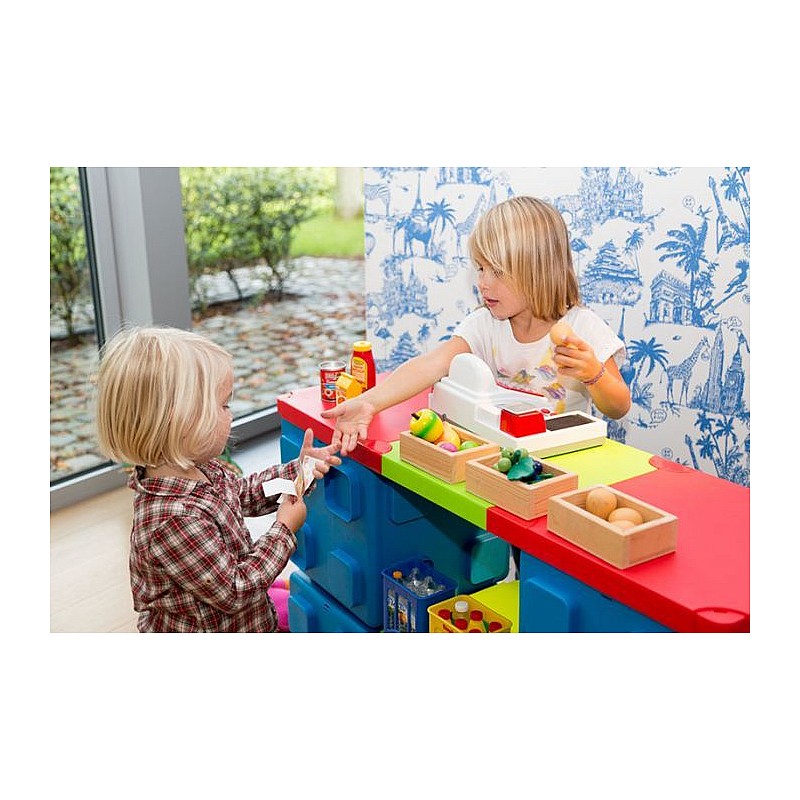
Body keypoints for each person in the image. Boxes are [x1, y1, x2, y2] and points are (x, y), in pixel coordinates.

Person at [322, 195, 631, 456]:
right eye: (480, 269)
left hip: (564, 461)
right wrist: (368, 402)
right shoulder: (486, 324)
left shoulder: (582, 327)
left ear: (537, 270)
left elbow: (619, 407)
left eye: (496, 271)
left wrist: (594, 374)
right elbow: (432, 364)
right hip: (501, 461)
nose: (483, 283)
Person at [94, 325, 341, 633]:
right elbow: (235, 590)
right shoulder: (174, 521)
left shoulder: (198, 468)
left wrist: (298, 471)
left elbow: (243, 493)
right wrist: (283, 529)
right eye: (224, 405)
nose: (231, 414)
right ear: (181, 421)